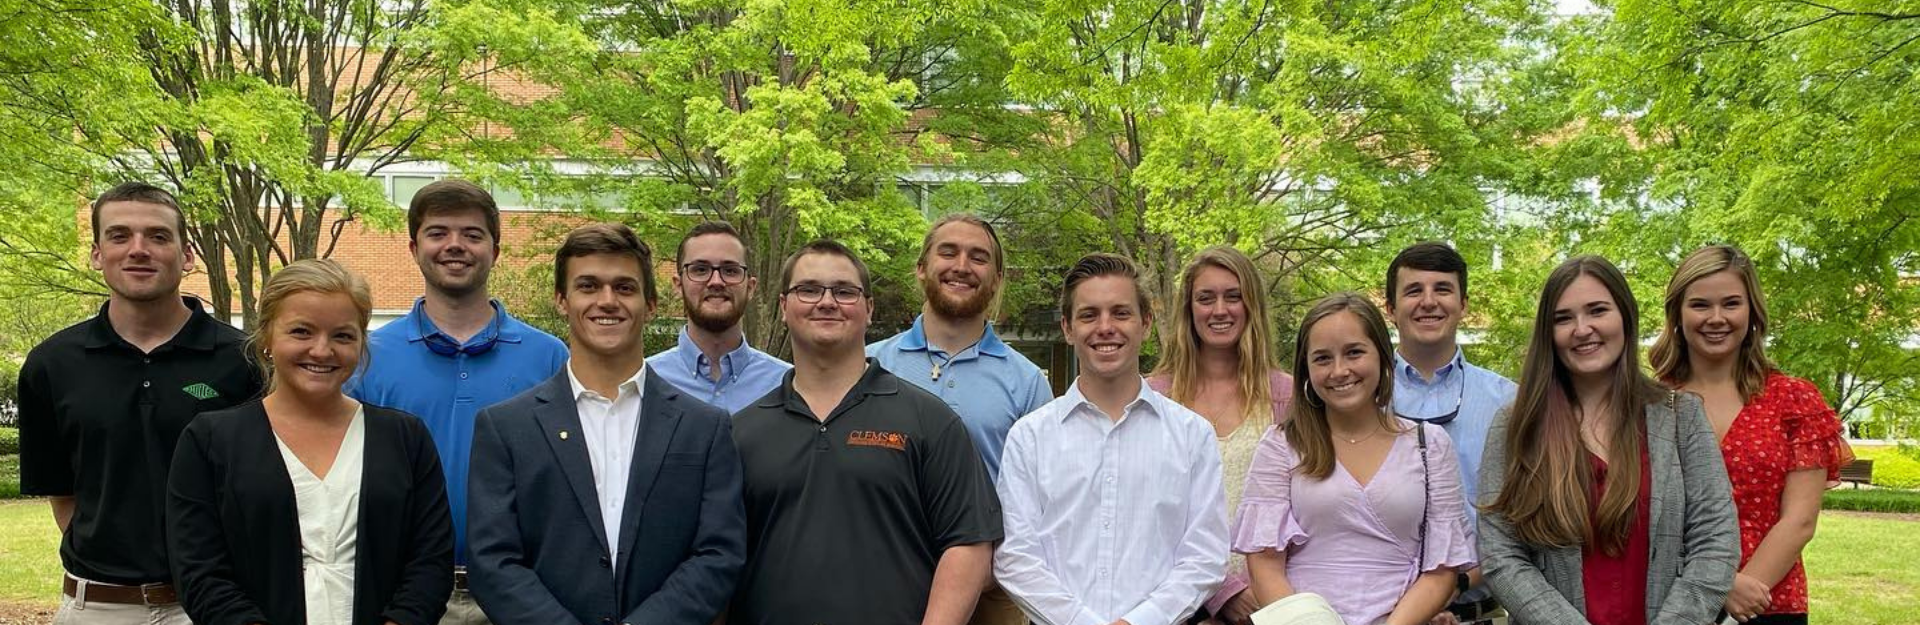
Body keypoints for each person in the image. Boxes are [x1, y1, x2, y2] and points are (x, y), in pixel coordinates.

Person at [465, 223, 745, 625]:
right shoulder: (506, 428)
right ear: (562, 300)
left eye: (625, 288)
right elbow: (493, 561)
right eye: (589, 286)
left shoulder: (705, 428)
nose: (607, 301)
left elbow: (718, 554)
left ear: (650, 304)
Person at [18, 182, 262, 624]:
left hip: (214, 606)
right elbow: (61, 492)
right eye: (119, 235)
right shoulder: (51, 365)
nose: (138, 249)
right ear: (96, 254)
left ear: (187, 256)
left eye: (157, 236)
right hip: (96, 607)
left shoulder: (243, 361)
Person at [167, 259, 454, 625]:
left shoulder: (404, 438)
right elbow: (199, 568)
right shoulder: (210, 440)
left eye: (342, 335)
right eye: (302, 332)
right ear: (267, 336)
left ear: (361, 343)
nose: (322, 350)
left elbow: (430, 560)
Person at [731, 240, 1002, 625]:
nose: (827, 302)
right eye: (808, 289)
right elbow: (716, 559)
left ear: (869, 309)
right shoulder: (742, 432)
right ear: (783, 307)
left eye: (845, 291)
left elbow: (968, 544)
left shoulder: (929, 421)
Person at [346, 179, 567, 624]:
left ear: (495, 250)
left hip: (521, 591)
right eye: (438, 232)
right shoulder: (367, 359)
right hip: (404, 593)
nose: (455, 246)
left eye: (472, 234)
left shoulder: (549, 356)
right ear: (413, 247)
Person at [1478, 255, 1738, 625]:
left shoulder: (1681, 417)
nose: (1582, 329)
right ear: (1548, 333)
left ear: (1625, 317)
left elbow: (1715, 540)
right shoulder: (1516, 425)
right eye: (1563, 318)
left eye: (1597, 310)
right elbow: (1501, 554)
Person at [995, 252, 1228, 625]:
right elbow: (1015, 555)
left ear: (1146, 322)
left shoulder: (1192, 435)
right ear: (1068, 328)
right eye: (1089, 315)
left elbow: (1205, 556)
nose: (1106, 327)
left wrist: (1140, 622)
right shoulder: (1030, 438)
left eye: (1120, 313)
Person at [1233, 293, 1474, 625]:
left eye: (1354, 352)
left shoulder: (1429, 445)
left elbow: (1442, 569)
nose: (1339, 371)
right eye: (1322, 358)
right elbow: (1264, 564)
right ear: (1306, 369)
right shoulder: (1281, 445)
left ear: (1382, 355)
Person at [869, 214, 1053, 625]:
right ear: (921, 268)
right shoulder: (871, 364)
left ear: (997, 278)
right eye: (948, 252)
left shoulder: (1026, 382)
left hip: (992, 594)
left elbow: (1041, 499)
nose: (962, 266)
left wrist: (989, 572)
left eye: (978, 257)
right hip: (880, 582)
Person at [1649, 245, 1845, 625]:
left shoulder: (1794, 400)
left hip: (1767, 599)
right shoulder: (1652, 403)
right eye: (1701, 305)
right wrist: (1719, 585)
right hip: (1674, 604)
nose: (1717, 318)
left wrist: (1743, 588)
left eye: (1731, 304)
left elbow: (1800, 519)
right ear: (1677, 314)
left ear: (1752, 312)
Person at [1146, 246, 1292, 625]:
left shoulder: (1288, 397)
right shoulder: (1154, 397)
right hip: (1172, 605)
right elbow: (1144, 512)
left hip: (1268, 601)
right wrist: (1221, 591)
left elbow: (1304, 508)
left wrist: (1257, 590)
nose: (1220, 310)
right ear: (1189, 309)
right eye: (1205, 298)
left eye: (1233, 296)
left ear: (1252, 306)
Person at [1381, 242, 1518, 624]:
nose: (1429, 302)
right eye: (1413, 291)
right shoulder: (1358, 396)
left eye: (1442, 289)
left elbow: (1523, 520)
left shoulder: (1508, 402)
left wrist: (1454, 583)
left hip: (1477, 611)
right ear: (1390, 309)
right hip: (1375, 613)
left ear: (1464, 305)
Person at [650, 220, 791, 413]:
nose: (716, 281)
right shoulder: (645, 383)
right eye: (700, 270)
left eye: (730, 271)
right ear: (678, 285)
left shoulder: (786, 385)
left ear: (750, 287)